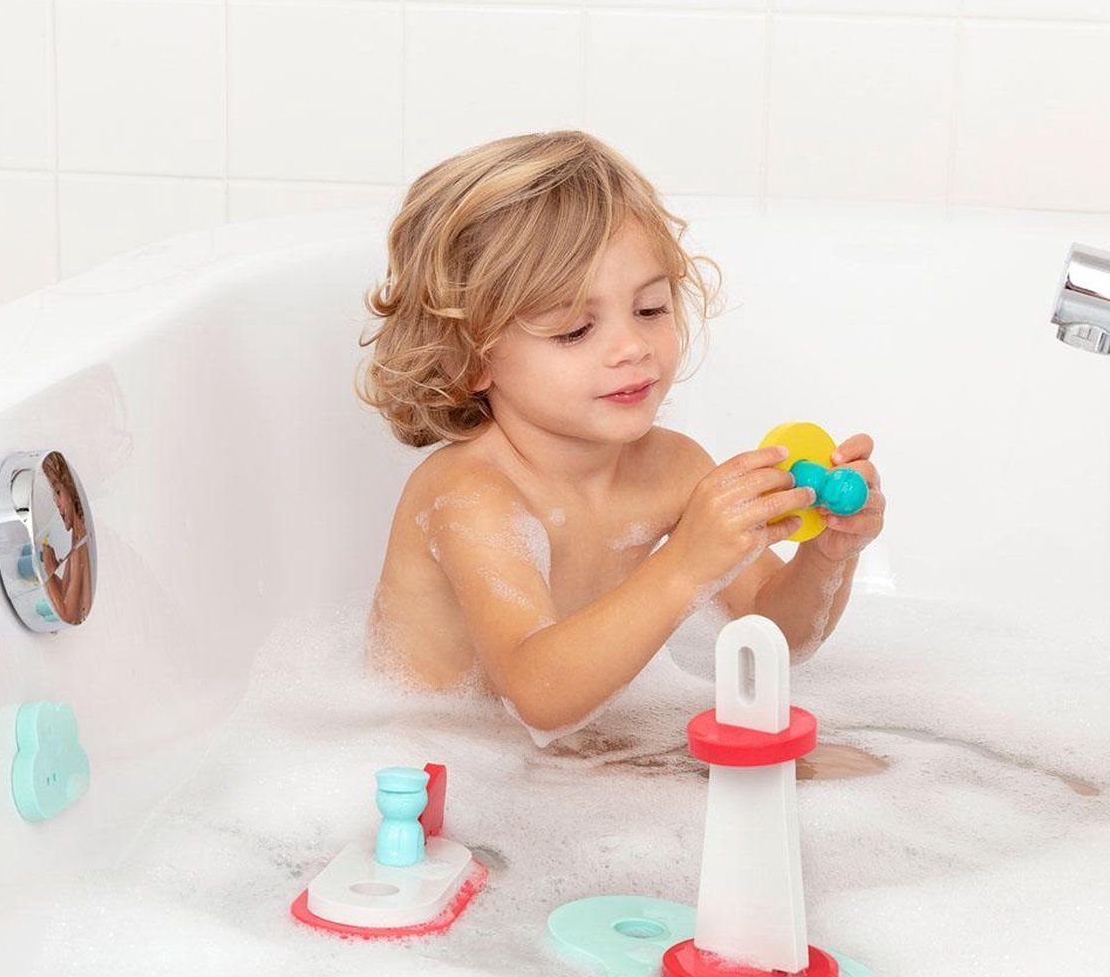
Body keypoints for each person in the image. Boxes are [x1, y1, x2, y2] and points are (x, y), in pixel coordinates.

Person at [356, 131, 884, 735]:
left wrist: (826, 557)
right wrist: (685, 564)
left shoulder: (671, 467)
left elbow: (772, 634)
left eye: (651, 309)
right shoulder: (470, 495)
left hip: (535, 754)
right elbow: (538, 695)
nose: (633, 346)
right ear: (471, 358)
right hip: (428, 758)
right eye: (575, 330)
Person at [39, 451, 93, 625]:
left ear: (70, 488)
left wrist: (48, 570)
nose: (56, 503)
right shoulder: (77, 539)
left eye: (58, 492)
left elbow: (68, 614)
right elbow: (65, 592)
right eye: (54, 495)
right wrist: (50, 570)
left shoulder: (80, 546)